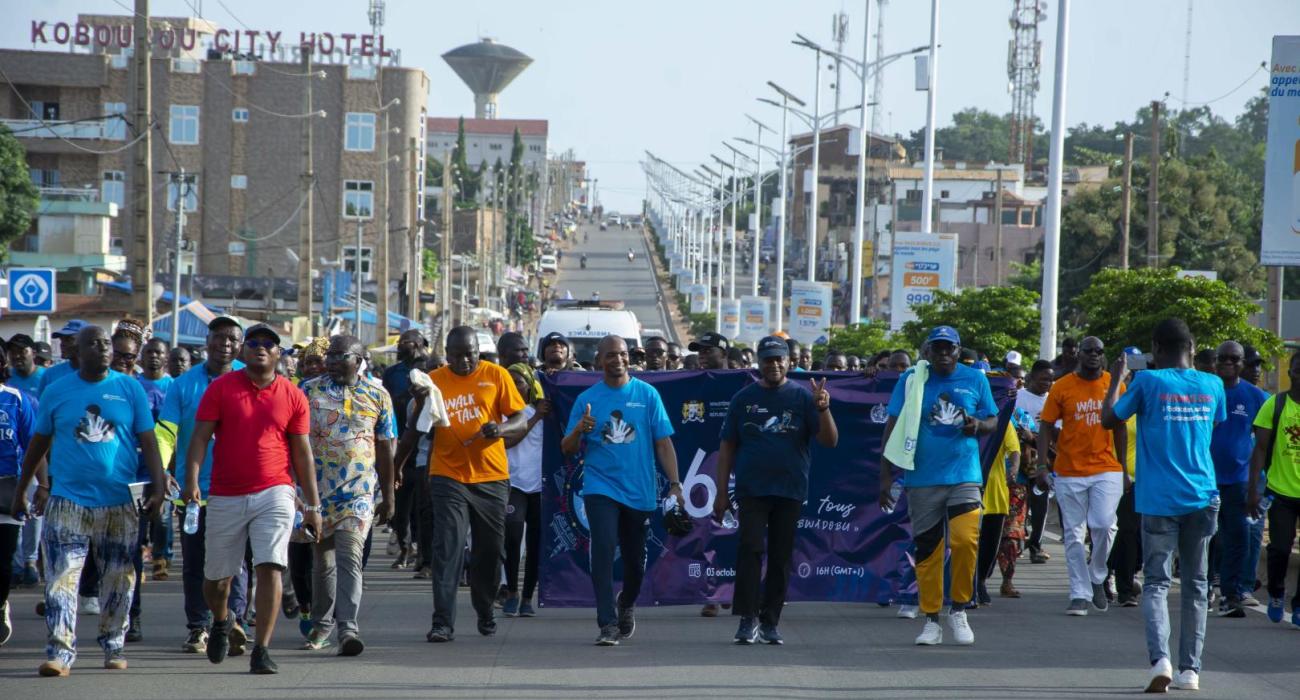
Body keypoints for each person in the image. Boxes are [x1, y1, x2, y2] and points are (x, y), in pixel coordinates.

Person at [11, 325, 164, 676]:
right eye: (94, 344)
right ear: (76, 352)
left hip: (119, 502)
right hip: (68, 500)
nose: (104, 348)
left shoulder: (129, 388)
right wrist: (25, 488)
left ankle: (113, 643)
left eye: (107, 343)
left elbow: (149, 441)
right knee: (62, 577)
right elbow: (39, 442)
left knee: (119, 578)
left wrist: (157, 487)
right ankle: (60, 652)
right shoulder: (57, 389)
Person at [183, 323, 321, 674]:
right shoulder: (221, 388)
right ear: (244, 351)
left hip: (275, 490)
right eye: (254, 342)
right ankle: (220, 620)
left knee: (270, 565)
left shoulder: (293, 395)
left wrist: (313, 506)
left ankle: (262, 649)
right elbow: (199, 438)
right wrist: (192, 481)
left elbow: (302, 452)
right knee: (217, 579)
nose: (261, 347)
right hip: (226, 493)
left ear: (278, 354)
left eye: (269, 344)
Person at [1101, 317, 1225, 693]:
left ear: (1156, 349)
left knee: (1155, 582)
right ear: (1192, 345)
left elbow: (1110, 419)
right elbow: (1210, 431)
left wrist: (1116, 378)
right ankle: (1191, 670)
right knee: (1196, 583)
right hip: (1203, 495)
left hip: (1157, 500)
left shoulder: (1147, 381)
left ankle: (1161, 661)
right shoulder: (1213, 383)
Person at [712, 336, 837, 644]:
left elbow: (830, 441)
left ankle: (770, 621)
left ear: (788, 361)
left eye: (779, 358)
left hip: (790, 489)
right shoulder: (743, 399)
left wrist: (823, 409)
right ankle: (747, 618)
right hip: (751, 489)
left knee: (780, 558)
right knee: (750, 550)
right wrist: (720, 492)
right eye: (768, 359)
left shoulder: (803, 398)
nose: (774, 364)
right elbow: (727, 446)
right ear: (759, 362)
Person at [879, 326, 997, 647]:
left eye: (950, 348)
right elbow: (892, 424)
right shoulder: (911, 380)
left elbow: (992, 420)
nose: (944, 353)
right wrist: (885, 475)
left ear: (959, 351)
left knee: (964, 541)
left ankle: (958, 608)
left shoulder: (976, 379)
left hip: (964, 475)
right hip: (922, 478)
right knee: (928, 551)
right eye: (938, 348)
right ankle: (931, 618)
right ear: (927, 351)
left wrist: (979, 426)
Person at [562, 335, 682, 645]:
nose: (618, 360)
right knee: (602, 548)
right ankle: (607, 624)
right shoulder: (587, 399)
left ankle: (626, 602)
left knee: (634, 562)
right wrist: (579, 430)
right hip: (600, 487)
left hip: (639, 491)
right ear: (599, 360)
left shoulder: (647, 394)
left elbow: (663, 442)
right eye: (611, 355)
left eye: (623, 354)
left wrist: (675, 485)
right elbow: (567, 447)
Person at [412, 327, 527, 643]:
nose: (464, 360)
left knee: (489, 552)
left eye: (470, 353)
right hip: (448, 475)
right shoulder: (434, 379)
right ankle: (442, 622)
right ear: (447, 354)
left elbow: (520, 418)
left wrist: (500, 428)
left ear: (480, 350)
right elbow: (419, 426)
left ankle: (485, 607)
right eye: (457, 355)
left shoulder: (497, 375)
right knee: (447, 547)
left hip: (491, 478)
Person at [156, 317, 249, 655]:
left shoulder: (249, 377)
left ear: (240, 345)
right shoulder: (182, 385)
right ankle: (198, 627)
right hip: (193, 492)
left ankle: (234, 621)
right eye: (219, 337)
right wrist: (162, 469)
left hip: (241, 489)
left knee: (237, 563)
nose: (225, 343)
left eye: (233, 339)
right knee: (196, 564)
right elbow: (166, 432)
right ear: (206, 341)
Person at [299, 335, 395, 656]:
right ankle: (322, 624)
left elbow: (385, 446)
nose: (335, 361)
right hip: (317, 492)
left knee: (350, 557)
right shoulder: (307, 391)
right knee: (323, 563)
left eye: (343, 356)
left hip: (358, 493)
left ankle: (348, 629)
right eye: (332, 356)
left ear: (359, 359)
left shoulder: (378, 394)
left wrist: (390, 496)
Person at [1038, 336, 1127, 616]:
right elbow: (1045, 426)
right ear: (1079, 355)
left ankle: (1097, 575)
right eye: (1088, 351)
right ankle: (1079, 593)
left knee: (1103, 525)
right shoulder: (1062, 387)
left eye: (1099, 351)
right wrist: (1042, 465)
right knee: (1074, 535)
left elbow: (1120, 426)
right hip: (1069, 470)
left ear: (1103, 356)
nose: (1093, 355)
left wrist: (1123, 467)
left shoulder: (1115, 384)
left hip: (1107, 468)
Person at [1206, 341, 1267, 619]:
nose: (1228, 363)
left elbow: (1266, 441)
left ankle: (1230, 594)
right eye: (1223, 358)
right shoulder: (1204, 389)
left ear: (1242, 363)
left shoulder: (1256, 396)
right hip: (1203, 478)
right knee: (1205, 537)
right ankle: (1205, 586)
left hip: (1240, 480)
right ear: (1215, 362)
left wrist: (1258, 483)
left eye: (1235, 358)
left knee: (1238, 537)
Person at [1248, 351, 1300, 628]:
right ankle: (1277, 591)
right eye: (1297, 369)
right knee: (1280, 549)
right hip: (1280, 491)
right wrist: (1253, 490)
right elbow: (1260, 449)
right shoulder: (1275, 404)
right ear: (1290, 372)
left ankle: (1299, 603)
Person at [502, 363, 549, 617]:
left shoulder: (541, 411)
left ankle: (528, 597)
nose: (515, 387)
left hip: (538, 487)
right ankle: (511, 592)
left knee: (535, 543)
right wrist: (534, 419)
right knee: (512, 538)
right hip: (513, 484)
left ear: (529, 385)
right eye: (510, 382)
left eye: (519, 382)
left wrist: (539, 415)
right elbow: (509, 440)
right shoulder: (503, 414)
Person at [382, 330, 430, 572]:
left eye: (405, 342)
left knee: (422, 506)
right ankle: (404, 547)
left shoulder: (432, 368)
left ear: (419, 344)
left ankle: (422, 552)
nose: (400, 345)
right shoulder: (392, 374)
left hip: (425, 448)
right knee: (400, 505)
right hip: (399, 442)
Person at [0, 380, 37, 648]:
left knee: (3, 561)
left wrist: (42, 486)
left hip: (8, 488)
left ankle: (1, 604)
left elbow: (36, 444)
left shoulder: (16, 399)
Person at [1016, 360, 1055, 564]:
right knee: (1018, 502)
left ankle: (1035, 546)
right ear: (1031, 377)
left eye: (1050, 380)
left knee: (1041, 503)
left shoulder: (1053, 399)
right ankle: (1016, 541)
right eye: (1043, 379)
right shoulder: (1019, 397)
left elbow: (1057, 429)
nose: (1047, 383)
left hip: (1043, 460)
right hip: (1018, 458)